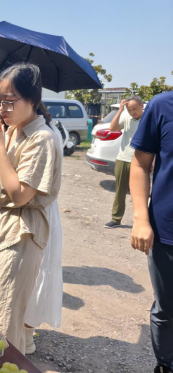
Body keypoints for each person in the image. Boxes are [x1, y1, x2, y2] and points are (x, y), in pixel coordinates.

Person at [0, 63, 62, 354]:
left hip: (17, 235)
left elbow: (20, 194)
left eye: (9, 101)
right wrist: (3, 140)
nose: (1, 108)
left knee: (1, 320)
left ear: (32, 100)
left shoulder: (42, 138)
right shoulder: (13, 131)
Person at [129, 91, 173, 373]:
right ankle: (166, 365)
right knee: (168, 309)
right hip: (167, 230)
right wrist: (140, 219)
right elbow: (140, 164)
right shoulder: (162, 106)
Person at [24, 120, 65, 354]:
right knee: (34, 272)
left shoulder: (44, 135)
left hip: (38, 211)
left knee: (36, 271)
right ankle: (25, 334)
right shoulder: (49, 131)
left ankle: (26, 335)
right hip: (42, 210)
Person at [105, 95, 144, 229]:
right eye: (129, 109)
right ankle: (116, 219)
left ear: (141, 106)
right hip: (123, 159)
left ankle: (141, 221)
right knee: (120, 191)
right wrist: (120, 110)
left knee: (140, 193)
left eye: (134, 109)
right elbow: (113, 128)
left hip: (140, 160)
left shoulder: (148, 118)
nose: (132, 112)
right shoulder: (126, 116)